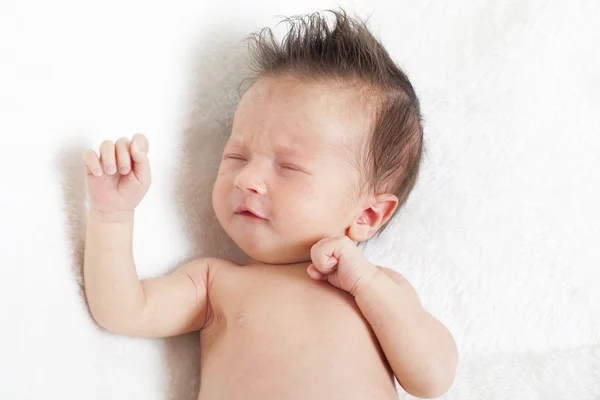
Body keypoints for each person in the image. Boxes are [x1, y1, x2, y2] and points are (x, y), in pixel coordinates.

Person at [83, 8, 458, 399]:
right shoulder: (214, 283)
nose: (246, 179)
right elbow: (123, 310)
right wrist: (112, 215)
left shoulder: (378, 289)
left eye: (289, 167)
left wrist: (367, 284)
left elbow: (433, 379)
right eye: (236, 157)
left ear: (367, 214)